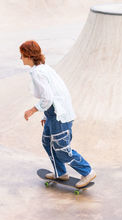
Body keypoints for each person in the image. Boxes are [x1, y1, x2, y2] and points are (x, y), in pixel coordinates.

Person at [20, 40, 96, 188]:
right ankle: (60, 172)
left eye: (22, 55)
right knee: (47, 142)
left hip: (59, 116)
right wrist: (46, 115)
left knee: (62, 149)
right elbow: (56, 93)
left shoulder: (38, 73)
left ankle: (87, 172)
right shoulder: (44, 68)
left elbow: (48, 97)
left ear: (28, 55)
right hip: (53, 113)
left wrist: (33, 110)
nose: (21, 59)